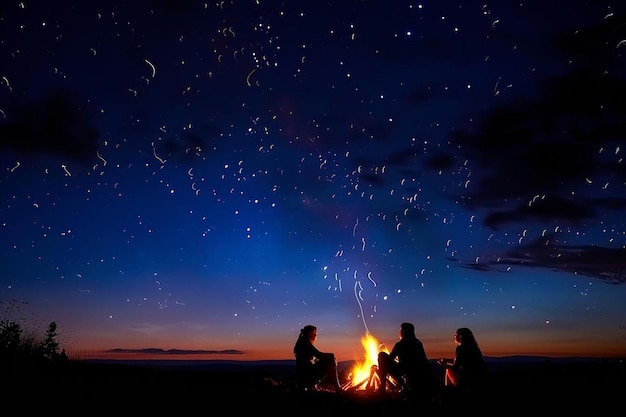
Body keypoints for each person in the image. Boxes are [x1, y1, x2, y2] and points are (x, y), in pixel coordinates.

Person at [377, 322, 438, 402]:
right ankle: (404, 386)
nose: (399, 332)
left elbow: (391, 358)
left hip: (404, 370)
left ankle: (383, 388)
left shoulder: (400, 344)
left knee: (382, 356)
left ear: (404, 331)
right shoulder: (418, 343)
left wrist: (382, 355)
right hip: (415, 371)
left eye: (401, 330)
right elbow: (424, 360)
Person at [293, 325, 342, 393]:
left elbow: (312, 358)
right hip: (306, 377)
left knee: (329, 359)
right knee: (330, 360)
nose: (316, 336)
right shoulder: (305, 343)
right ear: (310, 334)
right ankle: (337, 387)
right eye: (315, 333)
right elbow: (319, 355)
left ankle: (316, 385)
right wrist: (332, 356)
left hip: (303, 376)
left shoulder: (303, 341)